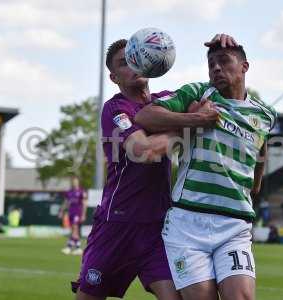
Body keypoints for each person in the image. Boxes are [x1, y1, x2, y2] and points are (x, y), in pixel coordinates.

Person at [73, 35, 238, 300]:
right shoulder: (115, 108)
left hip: (159, 227)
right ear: (114, 77)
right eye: (123, 63)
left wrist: (225, 45)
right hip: (117, 223)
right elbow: (144, 151)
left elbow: (221, 85)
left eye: (136, 57)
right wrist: (192, 122)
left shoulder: (166, 101)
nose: (133, 64)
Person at [135, 39, 277, 300]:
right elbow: (145, 116)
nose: (216, 68)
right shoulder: (199, 94)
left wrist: (255, 183)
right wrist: (196, 119)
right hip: (188, 224)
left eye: (224, 61)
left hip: (234, 224)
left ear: (244, 66)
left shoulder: (265, 114)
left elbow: (262, 146)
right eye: (211, 64)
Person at [59, 176, 88, 255]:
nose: (74, 183)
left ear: (78, 182)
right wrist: (61, 211)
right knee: (73, 230)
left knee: (75, 229)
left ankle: (71, 247)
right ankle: (76, 248)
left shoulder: (81, 191)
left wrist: (83, 214)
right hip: (70, 213)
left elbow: (84, 203)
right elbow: (66, 202)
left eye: (76, 181)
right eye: (73, 181)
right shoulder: (69, 192)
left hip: (77, 213)